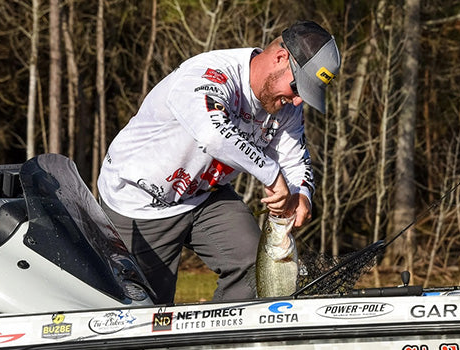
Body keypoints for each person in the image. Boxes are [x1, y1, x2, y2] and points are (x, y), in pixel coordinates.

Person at [97, 20, 340, 303]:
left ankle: (223, 343)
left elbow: (295, 157)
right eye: (298, 88)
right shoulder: (209, 74)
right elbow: (213, 135)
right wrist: (272, 176)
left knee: (252, 266)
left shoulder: (285, 106)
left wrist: (301, 193)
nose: (298, 102)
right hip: (140, 201)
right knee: (147, 311)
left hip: (205, 197)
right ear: (279, 57)